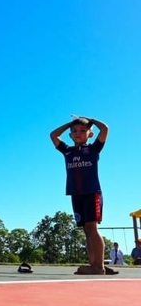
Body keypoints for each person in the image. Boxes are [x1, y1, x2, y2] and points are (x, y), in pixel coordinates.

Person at [50, 116, 117, 275]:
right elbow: (53, 135)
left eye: (82, 131)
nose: (77, 133)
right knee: (86, 230)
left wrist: (91, 120)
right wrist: (69, 124)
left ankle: (99, 267)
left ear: (90, 134)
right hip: (76, 193)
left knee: (92, 228)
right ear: (70, 135)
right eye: (74, 131)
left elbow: (105, 128)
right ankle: (93, 264)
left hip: (91, 192)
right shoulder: (67, 150)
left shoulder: (93, 149)